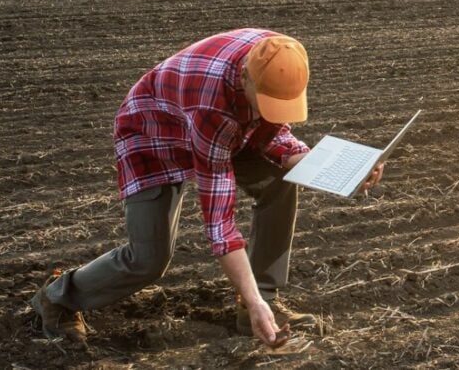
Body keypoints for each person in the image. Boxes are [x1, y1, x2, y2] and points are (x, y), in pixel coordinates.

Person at [30, 28, 384, 348]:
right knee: (149, 259)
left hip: (222, 128)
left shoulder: (280, 57)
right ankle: (57, 297)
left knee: (279, 183)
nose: (274, 113)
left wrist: (344, 172)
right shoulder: (211, 105)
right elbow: (219, 225)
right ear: (245, 78)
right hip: (153, 136)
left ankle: (258, 305)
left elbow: (275, 136)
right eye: (266, 105)